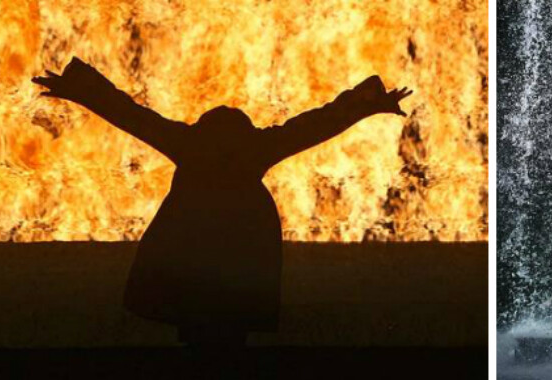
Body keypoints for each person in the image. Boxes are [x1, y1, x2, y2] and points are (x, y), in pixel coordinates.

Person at [32, 57, 412, 349]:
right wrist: (368, 103)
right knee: (228, 320)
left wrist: (79, 88)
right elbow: (318, 123)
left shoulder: (188, 144)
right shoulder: (257, 149)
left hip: (198, 243)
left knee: (197, 314)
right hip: (240, 245)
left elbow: (129, 114)